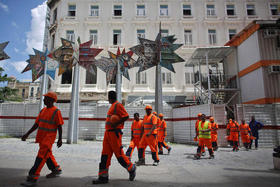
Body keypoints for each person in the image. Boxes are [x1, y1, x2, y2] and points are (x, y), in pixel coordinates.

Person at [21, 92, 64, 187]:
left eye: (46, 98)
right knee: (47, 154)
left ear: (52, 100)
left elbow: (59, 126)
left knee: (40, 157)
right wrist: (27, 134)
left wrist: (60, 139)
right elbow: (36, 124)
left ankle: (32, 177)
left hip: (48, 139)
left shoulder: (56, 111)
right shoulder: (43, 110)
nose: (44, 100)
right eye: (44, 98)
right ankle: (56, 169)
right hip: (41, 137)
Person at [92, 91, 136, 184]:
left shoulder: (117, 105)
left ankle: (131, 168)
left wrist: (117, 123)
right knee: (105, 156)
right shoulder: (113, 106)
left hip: (115, 133)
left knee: (119, 156)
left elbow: (126, 116)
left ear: (110, 97)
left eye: (108, 97)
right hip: (108, 133)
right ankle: (103, 177)